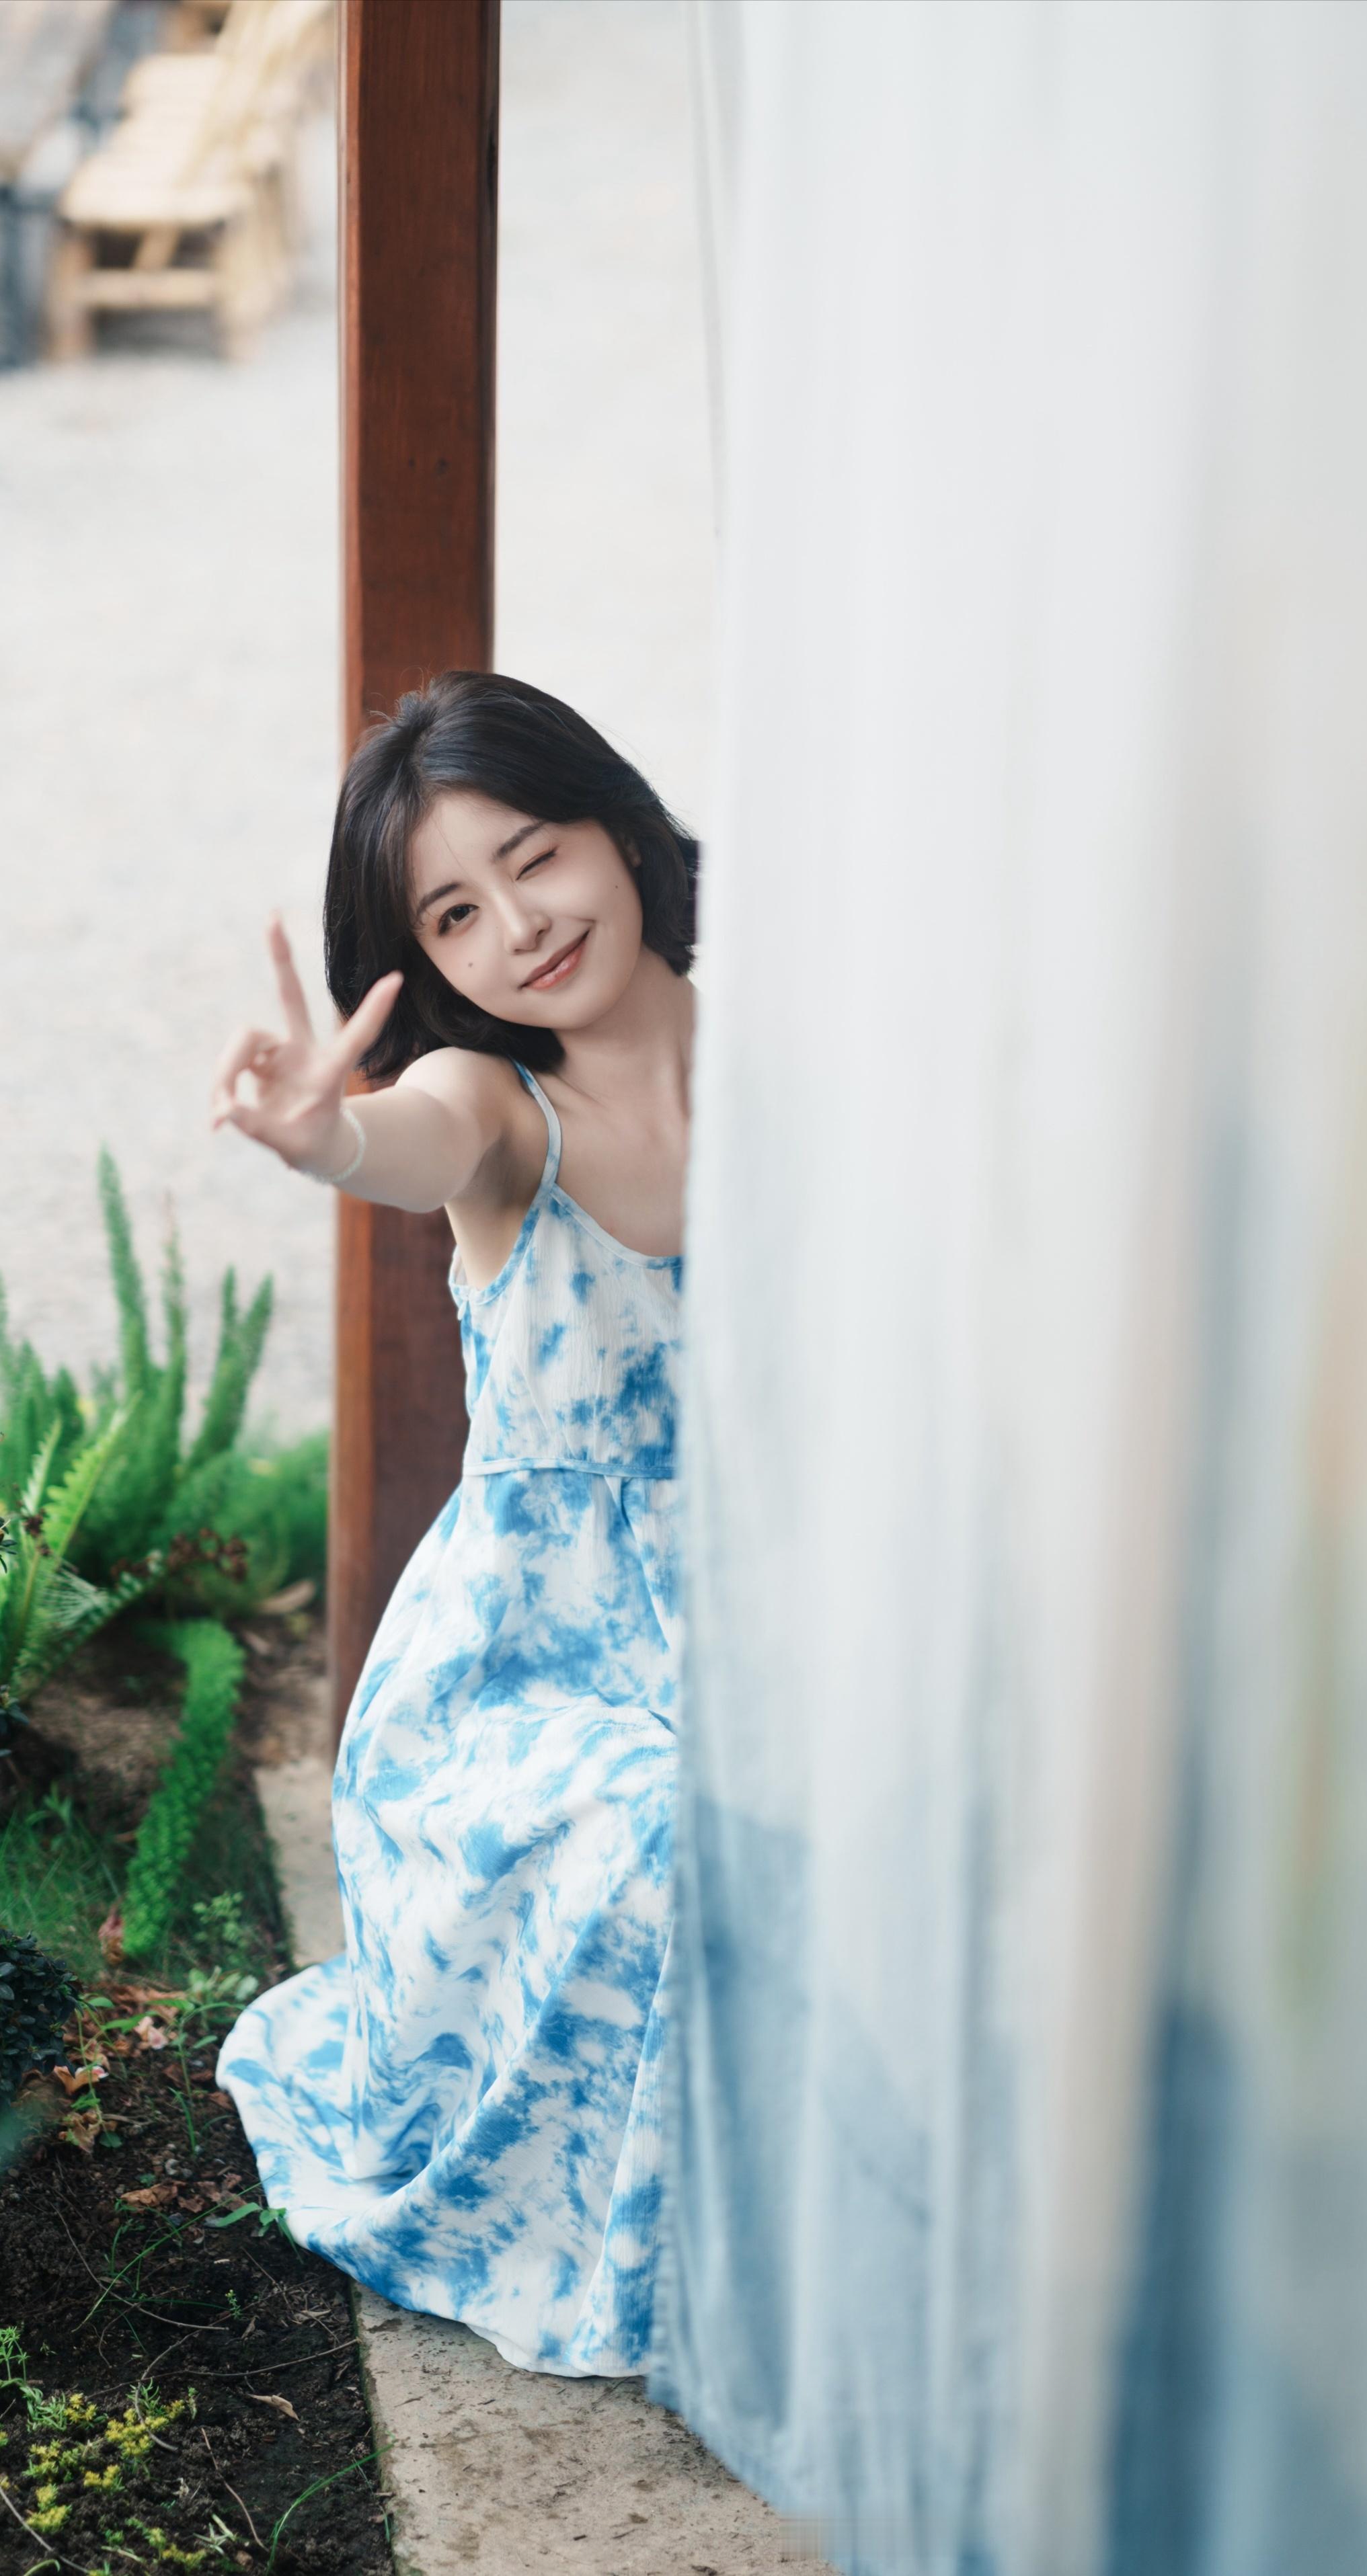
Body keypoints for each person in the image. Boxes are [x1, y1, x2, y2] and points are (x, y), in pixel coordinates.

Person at [212, 672, 696, 2376]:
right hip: (528, 1673)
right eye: (454, 912)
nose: (521, 925)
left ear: (618, 824)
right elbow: (405, 1141)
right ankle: (661, 2265)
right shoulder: (496, 1108)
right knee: (667, 1820)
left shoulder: (797, 1061)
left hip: (782, 1610)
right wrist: (322, 1135)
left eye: (535, 854)